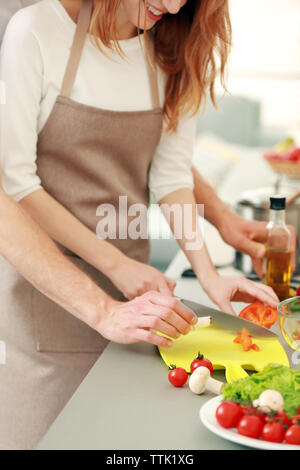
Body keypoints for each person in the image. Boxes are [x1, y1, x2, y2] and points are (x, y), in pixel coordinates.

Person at [0, 0, 279, 449]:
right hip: (48, 306)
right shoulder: (36, 31)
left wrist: (209, 275)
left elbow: (170, 177)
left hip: (141, 309)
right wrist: (115, 265)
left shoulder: (171, 49)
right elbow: (16, 184)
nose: (172, 5)